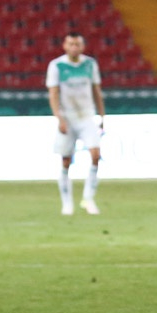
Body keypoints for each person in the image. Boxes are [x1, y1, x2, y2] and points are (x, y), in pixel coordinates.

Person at [46, 32, 105, 215]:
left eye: (77, 44)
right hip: (68, 117)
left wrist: (102, 115)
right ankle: (67, 203)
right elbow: (53, 93)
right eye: (71, 44)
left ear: (82, 46)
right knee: (66, 160)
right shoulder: (57, 66)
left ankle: (88, 199)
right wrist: (59, 118)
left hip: (86, 116)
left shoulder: (90, 64)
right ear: (65, 46)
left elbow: (96, 90)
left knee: (95, 154)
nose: (74, 47)